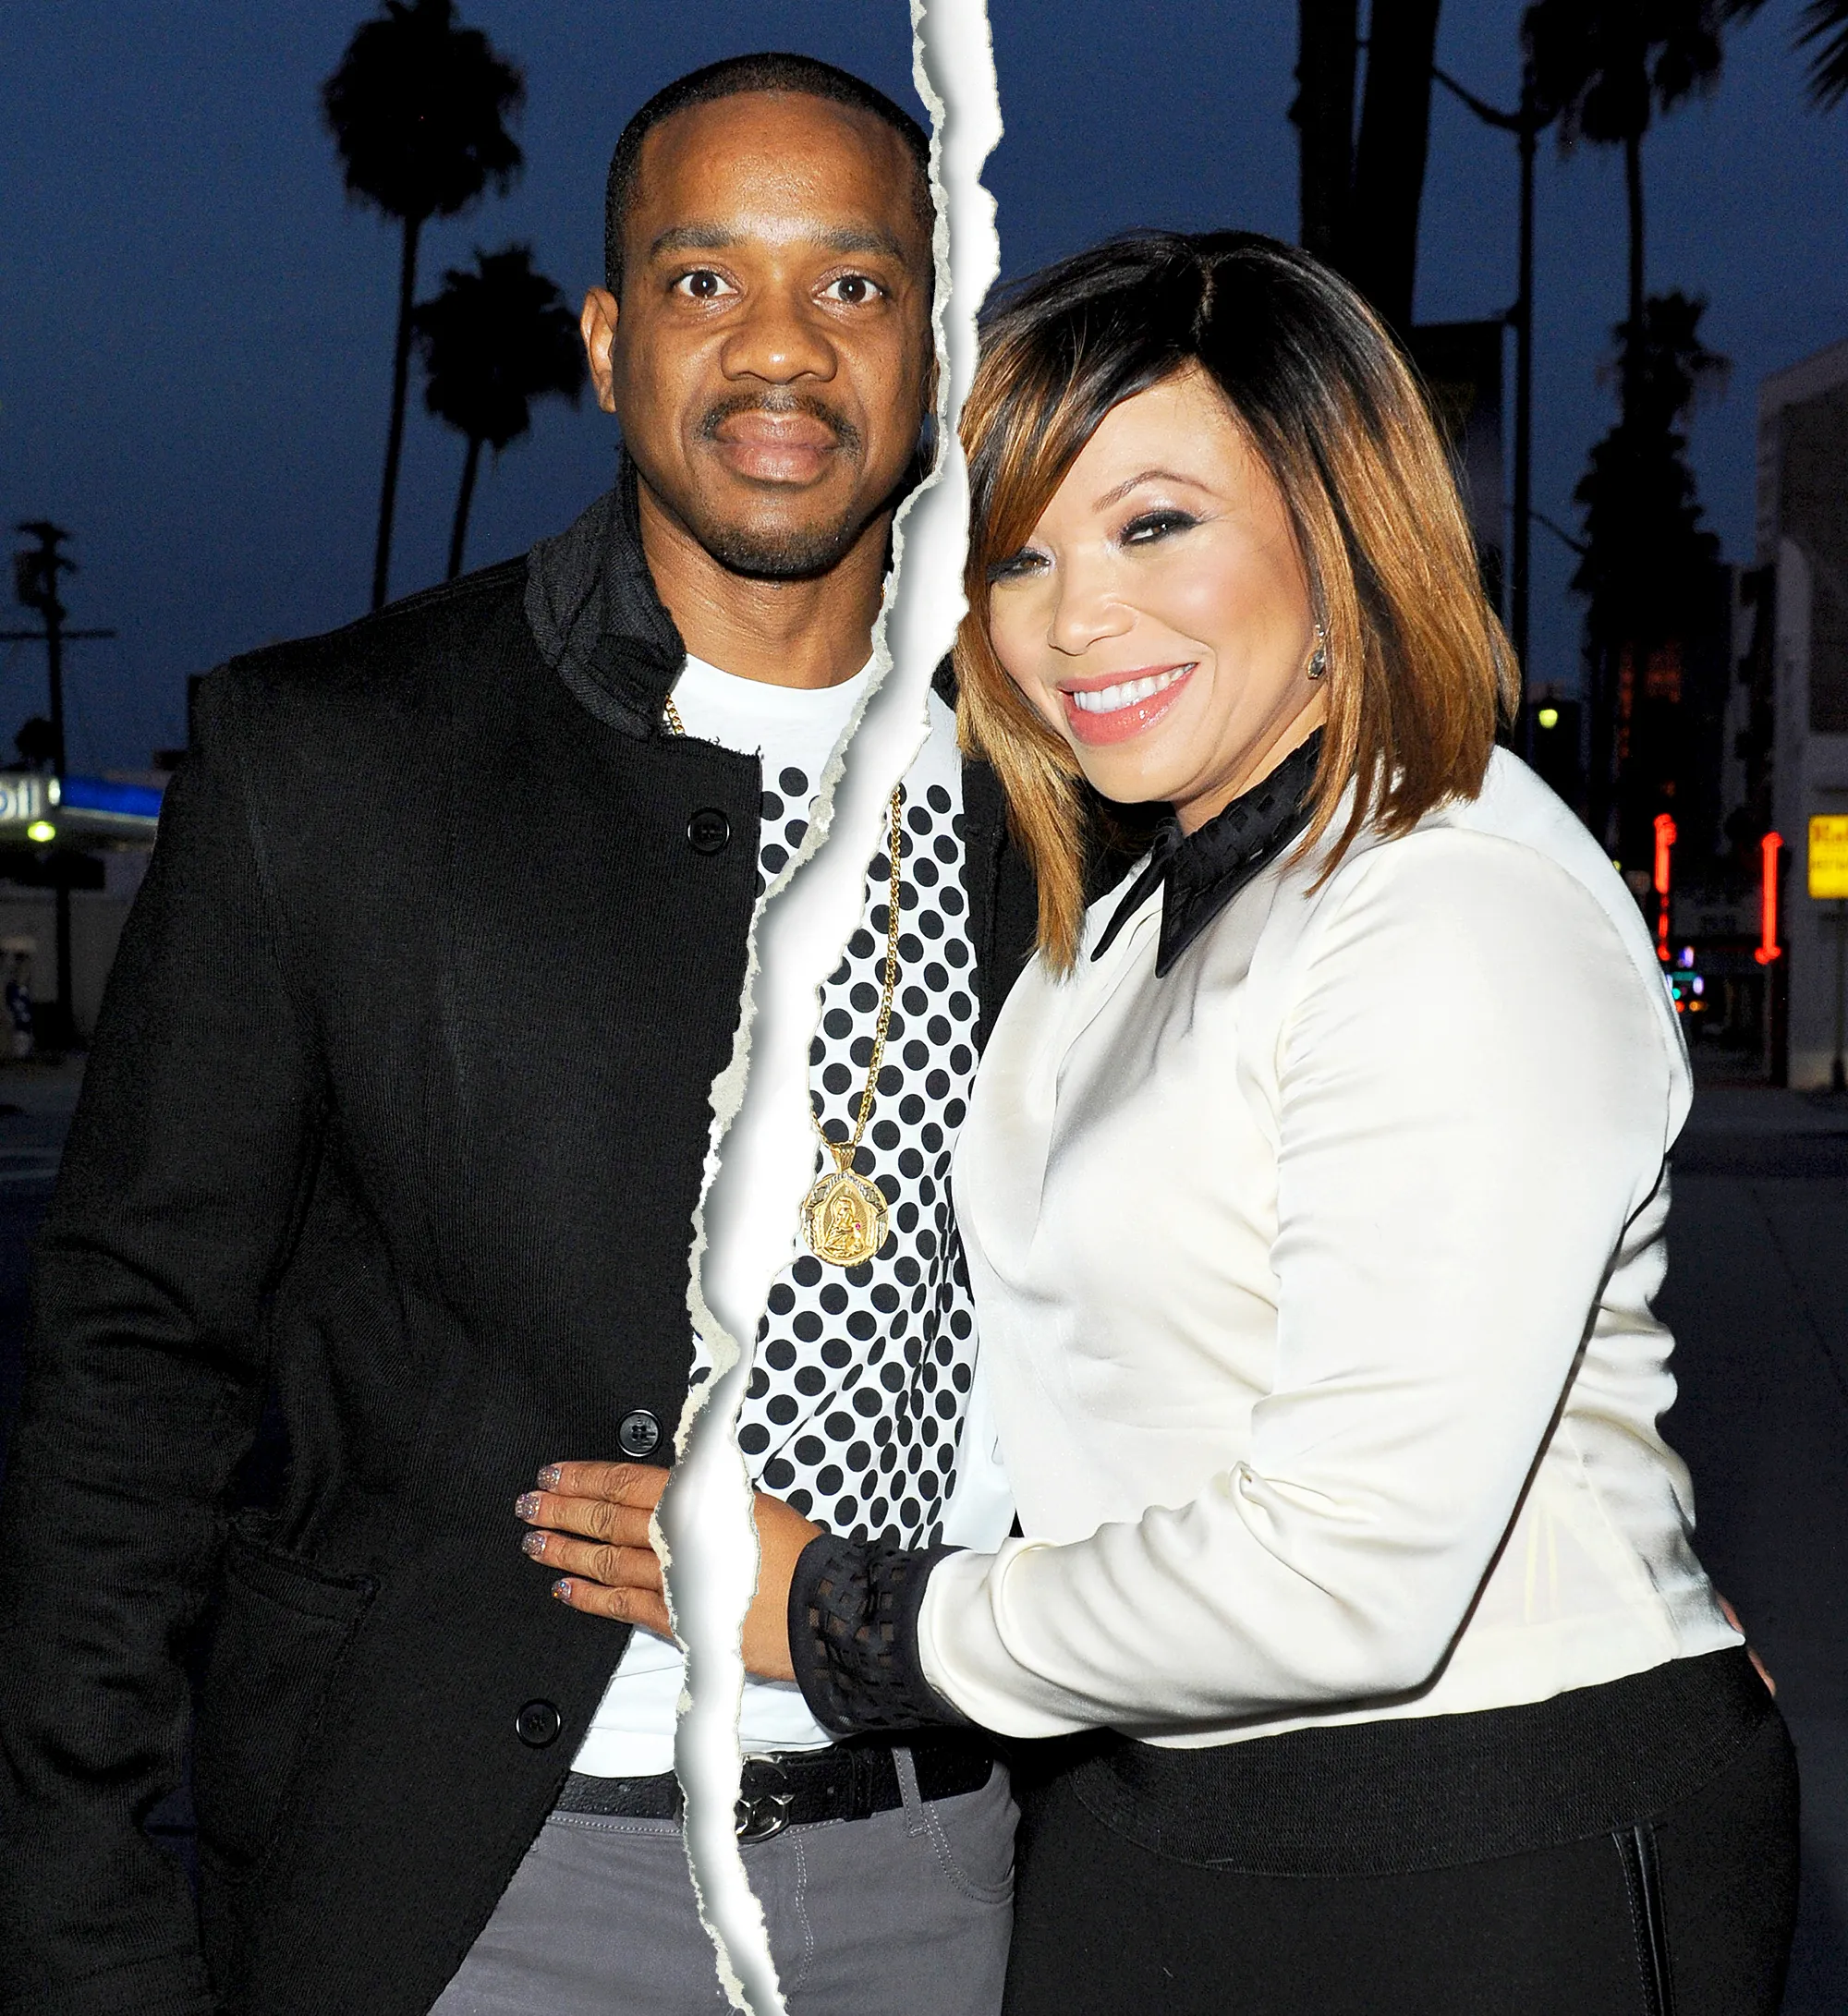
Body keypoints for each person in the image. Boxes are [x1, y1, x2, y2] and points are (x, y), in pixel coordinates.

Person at [0, 53, 1080, 2016]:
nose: (779, 350)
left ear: (941, 344)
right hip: (481, 1889)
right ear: (603, 339)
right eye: (701, 281)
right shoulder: (335, 761)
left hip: (951, 1868)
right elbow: (130, 1365)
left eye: (851, 285)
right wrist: (78, 1923)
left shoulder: (1066, 780)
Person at [645, 231, 1798, 2013]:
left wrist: (846, 1619)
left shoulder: (1451, 895)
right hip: (1150, 1811)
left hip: (1477, 1842)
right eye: (1015, 553)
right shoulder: (1134, 911)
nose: (1070, 616)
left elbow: (1348, 1574)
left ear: (1336, 526)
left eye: (1154, 523)